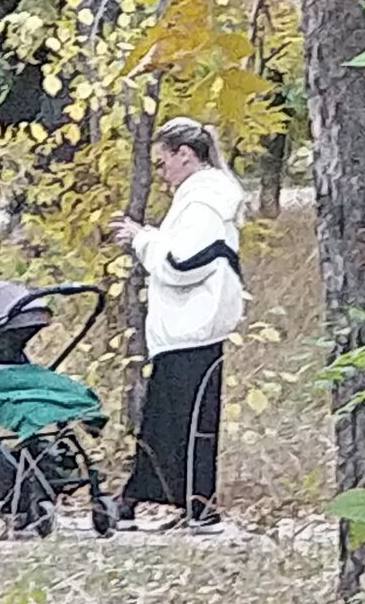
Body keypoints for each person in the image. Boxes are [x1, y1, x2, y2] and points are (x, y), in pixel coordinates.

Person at [108, 116, 246, 532]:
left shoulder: (202, 204)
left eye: (164, 160)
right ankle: (190, 505)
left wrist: (141, 239)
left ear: (185, 155)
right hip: (195, 328)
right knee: (182, 422)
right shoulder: (206, 198)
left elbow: (181, 263)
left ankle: (152, 501)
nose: (162, 172)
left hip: (190, 328)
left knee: (173, 423)